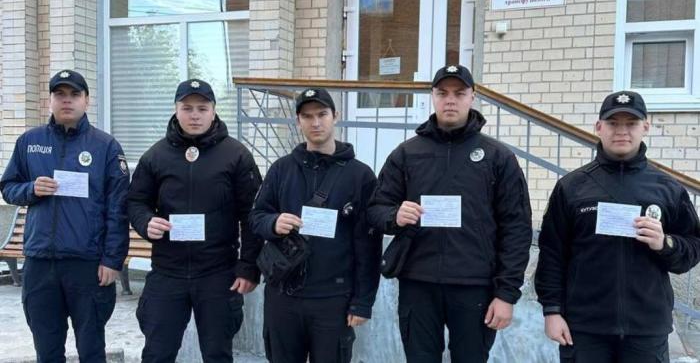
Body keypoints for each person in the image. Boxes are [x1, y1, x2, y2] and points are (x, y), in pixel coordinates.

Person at [367, 64, 533, 363]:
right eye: (442, 93)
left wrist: (506, 293)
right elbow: (376, 209)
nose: (450, 100)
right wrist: (394, 216)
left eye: (459, 93)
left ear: (473, 97)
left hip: (474, 286)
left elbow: (516, 227)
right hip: (418, 282)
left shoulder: (497, 157)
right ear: (433, 97)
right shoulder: (407, 154)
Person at [535, 90, 700, 363]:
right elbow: (552, 253)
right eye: (613, 123)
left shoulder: (668, 188)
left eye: (631, 123)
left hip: (646, 329)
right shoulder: (572, 187)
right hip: (584, 329)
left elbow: (693, 248)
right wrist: (552, 311)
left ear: (645, 127)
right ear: (599, 127)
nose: (621, 131)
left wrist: (665, 243)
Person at [127, 79, 262, 363]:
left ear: (213, 110)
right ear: (176, 110)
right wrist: (146, 221)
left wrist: (248, 266)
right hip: (167, 272)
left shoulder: (236, 155)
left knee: (217, 354)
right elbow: (136, 201)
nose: (195, 115)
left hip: (218, 274)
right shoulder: (155, 156)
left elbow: (252, 214)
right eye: (187, 108)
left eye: (202, 108)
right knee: (157, 354)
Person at [0, 69, 130, 362]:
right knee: (47, 351)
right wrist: (31, 189)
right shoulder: (29, 141)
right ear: (50, 100)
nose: (67, 100)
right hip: (40, 263)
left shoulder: (105, 146)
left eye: (74, 94)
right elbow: (8, 187)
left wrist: (112, 260)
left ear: (87, 100)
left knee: (92, 350)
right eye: (60, 94)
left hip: (87, 265)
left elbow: (118, 208)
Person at [250, 87, 382, 363]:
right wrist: (273, 222)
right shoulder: (281, 169)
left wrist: (362, 301)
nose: (316, 122)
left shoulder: (360, 176)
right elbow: (256, 217)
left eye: (322, 114)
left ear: (336, 116)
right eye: (307, 116)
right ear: (298, 121)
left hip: (333, 299)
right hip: (283, 296)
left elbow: (368, 244)